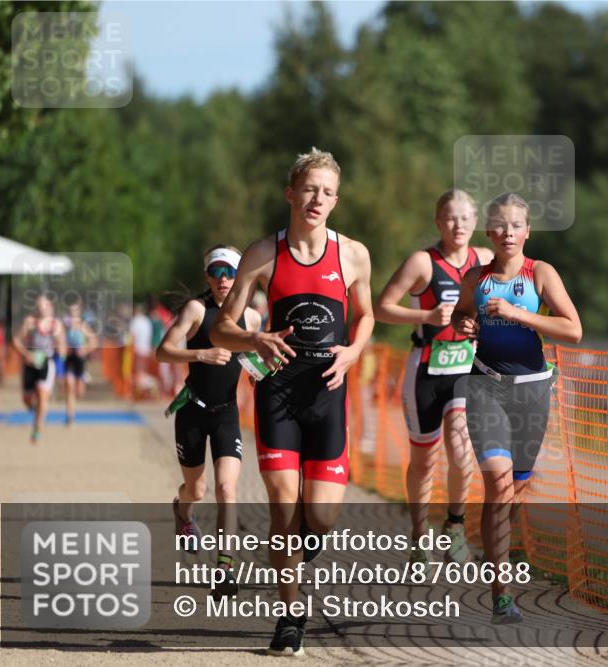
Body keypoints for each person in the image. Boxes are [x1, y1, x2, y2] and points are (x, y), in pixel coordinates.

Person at [211, 147, 374, 656]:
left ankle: (295, 549)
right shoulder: (264, 254)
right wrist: (254, 339)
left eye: (327, 192)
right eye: (309, 189)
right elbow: (221, 328)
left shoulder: (353, 254)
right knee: (284, 510)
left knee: (319, 519)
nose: (317, 199)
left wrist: (354, 351)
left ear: (336, 201)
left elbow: (367, 315)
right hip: (278, 393)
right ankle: (290, 616)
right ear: (290, 193)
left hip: (328, 393)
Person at [451, 192, 582, 624]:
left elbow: (573, 329)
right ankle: (501, 594)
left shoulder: (540, 273)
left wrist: (517, 314)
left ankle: (496, 560)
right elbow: (460, 316)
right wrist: (463, 323)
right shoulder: (476, 278)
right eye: (501, 225)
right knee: (498, 484)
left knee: (514, 492)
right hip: (485, 386)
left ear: (528, 232)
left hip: (531, 392)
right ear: (490, 232)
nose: (508, 232)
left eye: (517, 225)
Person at [374, 189, 493, 565]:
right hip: (425, 370)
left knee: (461, 448)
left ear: (475, 222)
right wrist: (425, 316)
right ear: (439, 222)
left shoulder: (485, 260)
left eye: (465, 218)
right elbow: (381, 308)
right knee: (424, 461)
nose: (458, 225)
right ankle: (418, 535)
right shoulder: (423, 263)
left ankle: (455, 526)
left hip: (466, 370)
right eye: (450, 218)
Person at [157, 245, 261, 598]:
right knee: (196, 491)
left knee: (227, 489)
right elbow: (163, 351)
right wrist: (201, 353)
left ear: (240, 276)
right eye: (216, 272)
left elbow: (251, 360)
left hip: (227, 414)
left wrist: (260, 373)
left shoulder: (252, 317)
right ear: (207, 276)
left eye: (230, 272)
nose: (223, 279)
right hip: (192, 410)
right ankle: (182, 513)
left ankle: (225, 568)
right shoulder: (197, 310)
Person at [11, 294, 66, 443]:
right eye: (39, 306)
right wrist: (26, 353)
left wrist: (60, 369)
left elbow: (62, 347)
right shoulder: (29, 322)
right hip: (29, 365)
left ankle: (37, 429)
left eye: (45, 306)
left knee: (42, 394)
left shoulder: (56, 325)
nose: (42, 309)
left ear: (51, 307)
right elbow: (16, 340)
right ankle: (38, 410)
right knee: (27, 399)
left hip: (47, 364)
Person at [62, 300, 99, 426]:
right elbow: (59, 341)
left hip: (80, 360)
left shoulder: (83, 326)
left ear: (79, 313)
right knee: (69, 386)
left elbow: (94, 342)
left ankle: (84, 380)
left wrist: (84, 350)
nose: (72, 314)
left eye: (75, 311)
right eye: (70, 311)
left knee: (79, 392)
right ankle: (70, 417)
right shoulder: (65, 327)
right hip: (69, 359)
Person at [129, 303, 156, 397]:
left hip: (138, 349)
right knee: (143, 370)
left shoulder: (135, 321)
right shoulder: (147, 321)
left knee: (138, 371)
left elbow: (132, 336)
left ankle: (141, 391)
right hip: (146, 349)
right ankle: (147, 387)